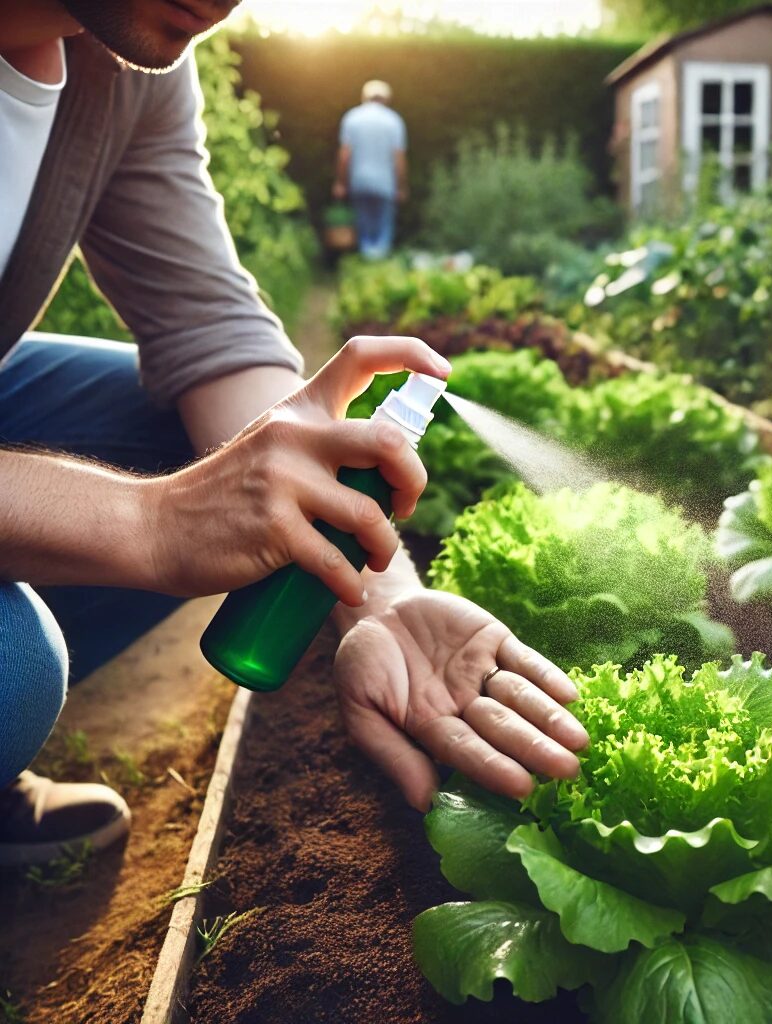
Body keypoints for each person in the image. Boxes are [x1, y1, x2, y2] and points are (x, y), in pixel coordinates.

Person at [0, 0, 589, 868]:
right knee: (16, 672)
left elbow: (209, 329)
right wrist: (154, 523)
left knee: (225, 455)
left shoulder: (124, 62)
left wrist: (379, 603)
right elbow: (167, 510)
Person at [332, 79, 408, 259]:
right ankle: (378, 269)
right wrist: (401, 186)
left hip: (359, 181)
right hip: (385, 183)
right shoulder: (394, 121)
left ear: (365, 97)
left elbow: (344, 155)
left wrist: (340, 182)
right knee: (382, 231)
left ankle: (365, 266)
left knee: (363, 228)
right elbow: (399, 157)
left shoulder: (352, 118)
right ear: (387, 98)